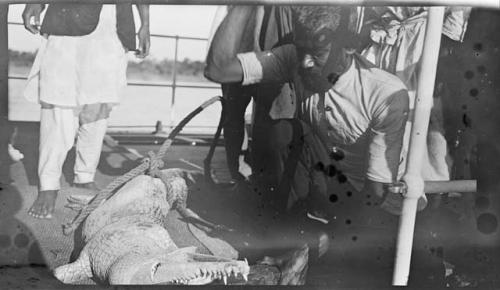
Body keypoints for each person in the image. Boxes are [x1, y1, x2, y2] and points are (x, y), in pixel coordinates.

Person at [205, 6, 428, 221]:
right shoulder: (293, 58)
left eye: (317, 52)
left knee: (370, 250)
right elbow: (218, 69)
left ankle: (312, 236)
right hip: (331, 184)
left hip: (378, 203)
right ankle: (292, 235)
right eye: (302, 50)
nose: (305, 62)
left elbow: (376, 193)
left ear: (349, 46)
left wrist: (330, 235)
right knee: (282, 132)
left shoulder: (385, 92)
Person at [22, 3, 150, 219]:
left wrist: (145, 23)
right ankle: (48, 184)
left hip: (114, 26)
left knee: (98, 109)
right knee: (58, 105)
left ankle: (84, 176)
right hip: (67, 23)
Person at [210, 6, 295, 201]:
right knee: (233, 115)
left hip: (276, 36)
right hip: (240, 33)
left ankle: (266, 182)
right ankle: (238, 179)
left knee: (272, 114)